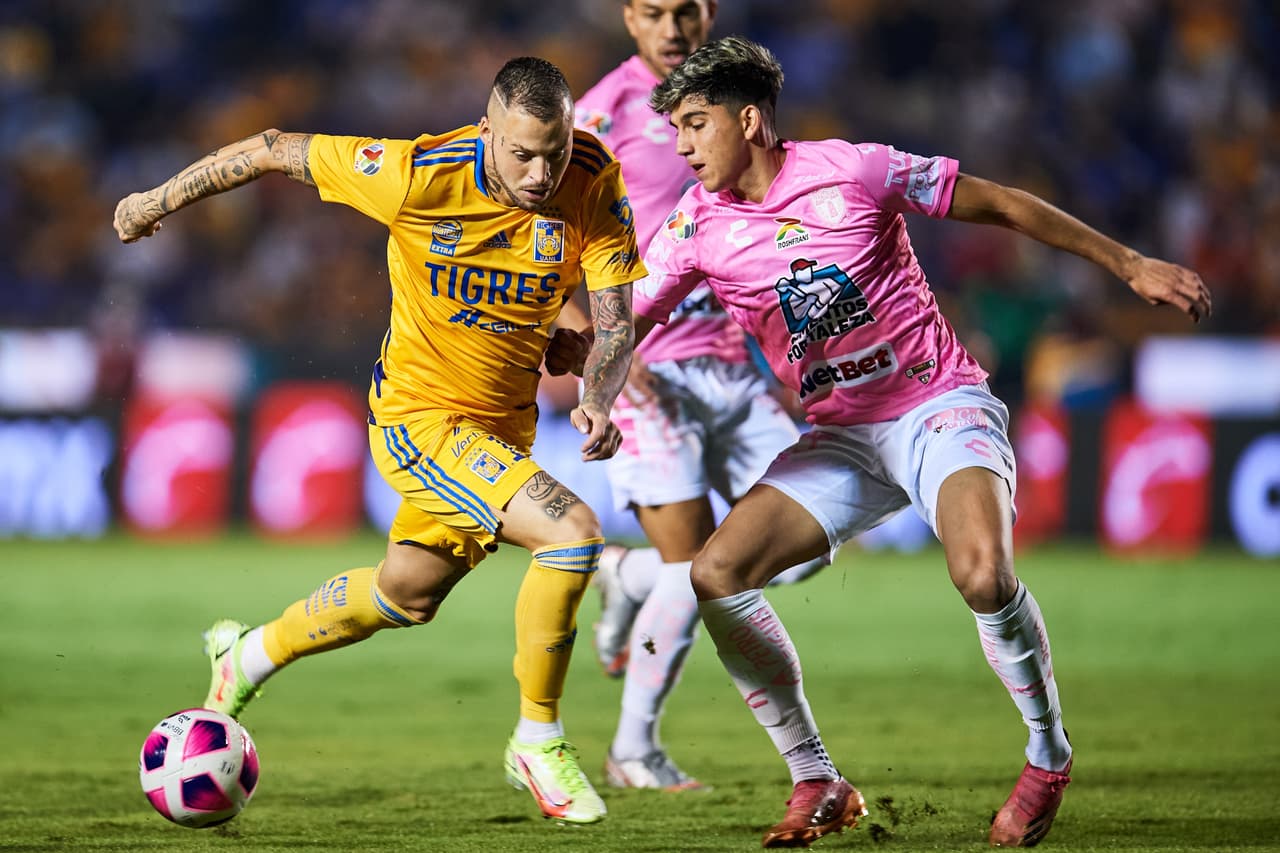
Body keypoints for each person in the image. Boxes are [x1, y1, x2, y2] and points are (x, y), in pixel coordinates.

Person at [619, 36, 1210, 848]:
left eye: (694, 123)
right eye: (675, 129)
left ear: (749, 119)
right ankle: (817, 777)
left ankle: (1047, 756)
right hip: (842, 436)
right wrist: (569, 360)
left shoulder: (854, 169)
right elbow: (623, 320)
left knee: (981, 573)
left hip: (936, 404)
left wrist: (1128, 261)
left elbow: (1000, 202)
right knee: (718, 573)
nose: (681, 146)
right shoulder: (695, 227)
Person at [113, 57, 644, 826]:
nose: (540, 172)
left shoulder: (592, 176)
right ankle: (538, 738)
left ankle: (249, 654)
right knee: (571, 535)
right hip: (421, 420)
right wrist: (155, 201)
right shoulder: (415, 175)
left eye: (553, 152)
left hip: (502, 429)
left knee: (407, 594)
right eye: (522, 152)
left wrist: (593, 388)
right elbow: (269, 146)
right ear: (487, 129)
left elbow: (615, 321)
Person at [561, 0, 829, 793]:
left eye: (687, 10)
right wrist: (599, 342)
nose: (672, 26)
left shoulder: (731, 102)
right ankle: (633, 749)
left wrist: (784, 352)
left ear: (708, 12)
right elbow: (539, 237)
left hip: (733, 366)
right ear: (627, 17)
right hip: (648, 369)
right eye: (653, 11)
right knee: (694, 567)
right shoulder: (599, 117)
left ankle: (623, 577)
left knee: (804, 544)